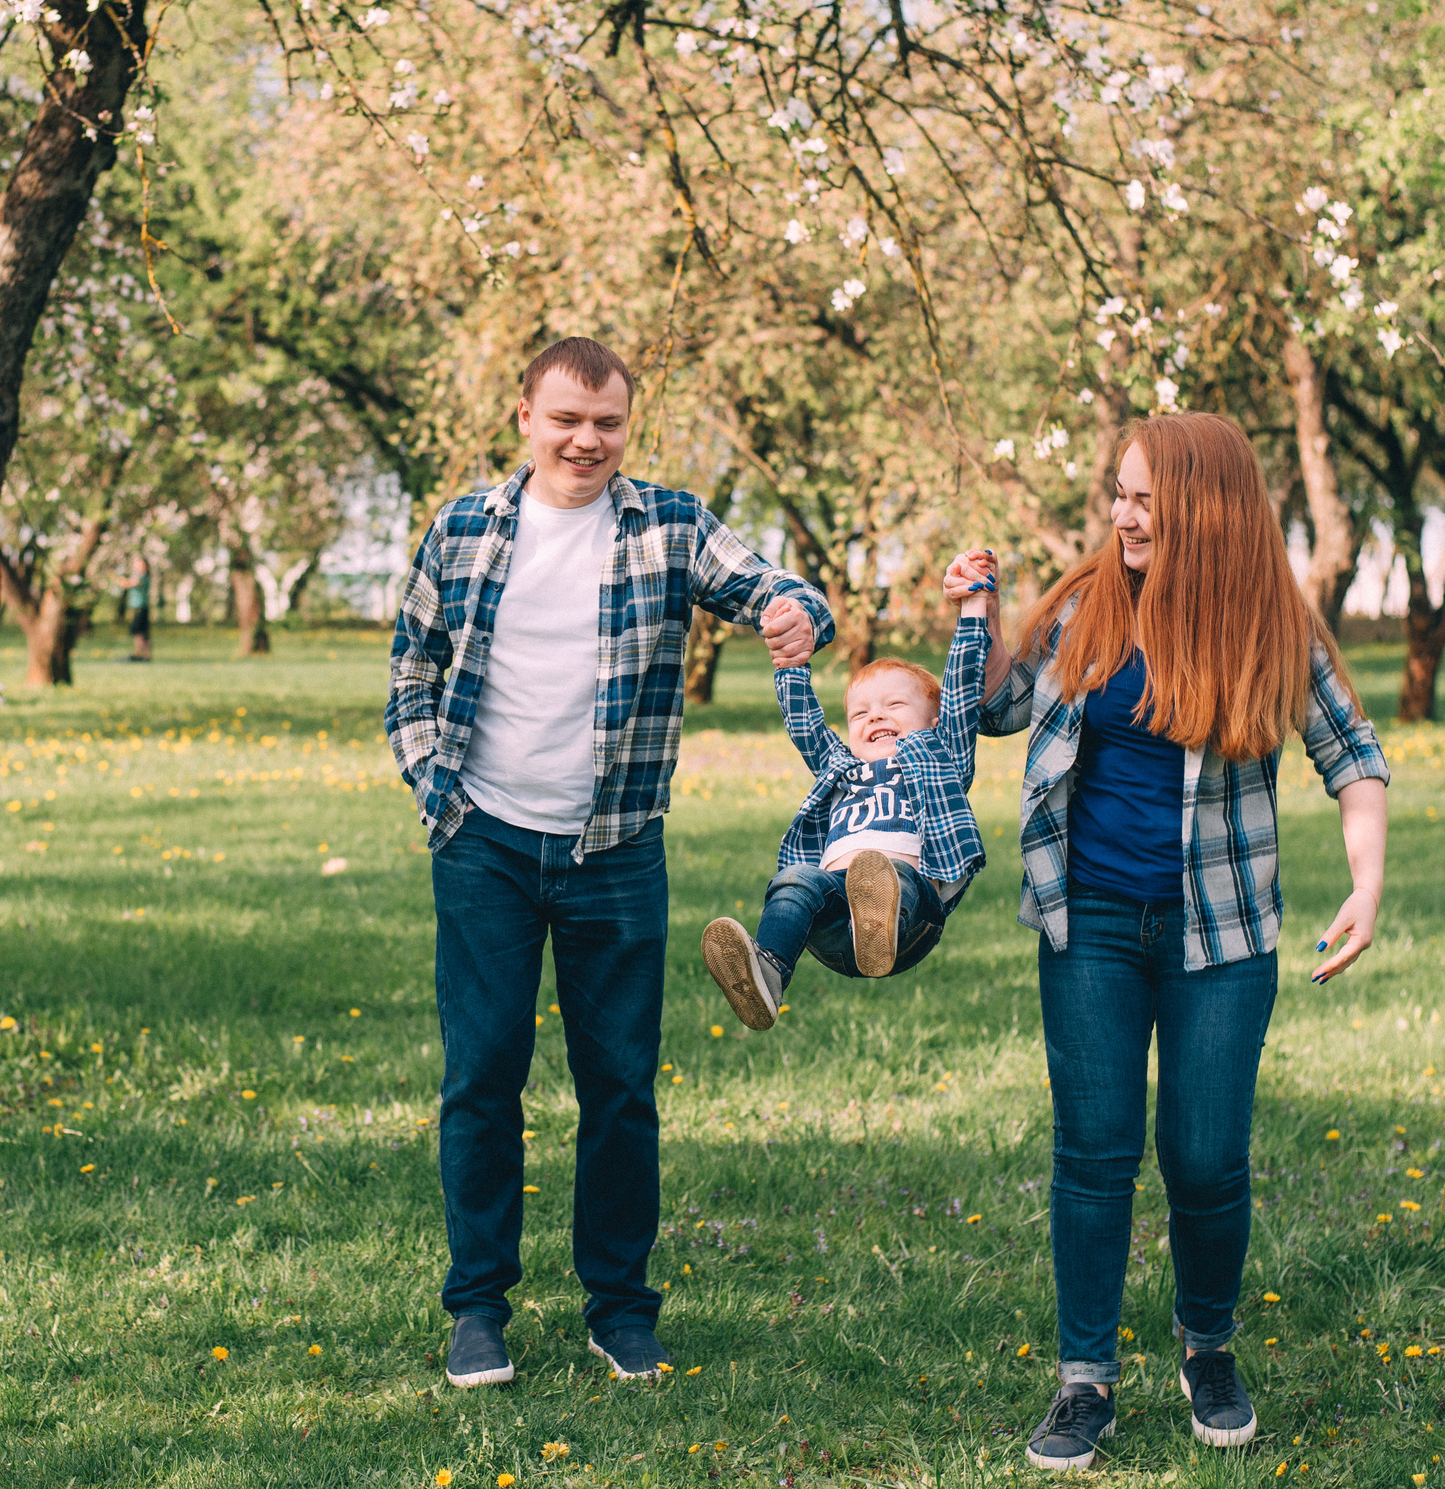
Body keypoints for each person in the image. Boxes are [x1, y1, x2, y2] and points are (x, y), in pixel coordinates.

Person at [384, 335, 834, 1390]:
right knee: (481, 1077)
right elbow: (412, 664)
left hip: (617, 850)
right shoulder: (462, 527)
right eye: (566, 420)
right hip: (483, 842)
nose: (586, 441)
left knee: (620, 1088)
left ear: (627, 424)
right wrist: (433, 788)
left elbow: (774, 582)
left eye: (607, 423)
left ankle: (620, 1309)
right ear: (526, 417)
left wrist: (792, 611)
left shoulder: (667, 524)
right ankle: (477, 1309)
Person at [976, 413, 1390, 1472]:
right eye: (1116, 492)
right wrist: (975, 611)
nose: (1121, 513)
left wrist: (1367, 881)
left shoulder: (1266, 621)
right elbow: (990, 707)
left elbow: (1352, 756)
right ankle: (1083, 1379)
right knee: (1095, 1152)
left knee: (1205, 1157)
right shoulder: (1083, 606)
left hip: (1224, 932)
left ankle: (1206, 1346)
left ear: (1204, 507)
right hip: (1091, 924)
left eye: (1144, 498)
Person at [700, 549, 997, 1030]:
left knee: (885, 875)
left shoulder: (940, 754)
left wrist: (974, 607)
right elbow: (805, 724)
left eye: (893, 704)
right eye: (861, 713)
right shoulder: (839, 766)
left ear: (933, 720)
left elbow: (962, 690)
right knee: (796, 881)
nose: (875, 716)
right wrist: (790, 660)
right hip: (834, 927)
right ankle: (768, 970)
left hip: (913, 918)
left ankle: (879, 920)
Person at [121, 555, 154, 662]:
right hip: (139, 607)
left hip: (140, 608)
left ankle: (141, 655)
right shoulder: (140, 576)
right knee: (141, 632)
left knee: (139, 632)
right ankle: (143, 655)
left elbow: (130, 583)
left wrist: (119, 580)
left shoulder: (142, 577)